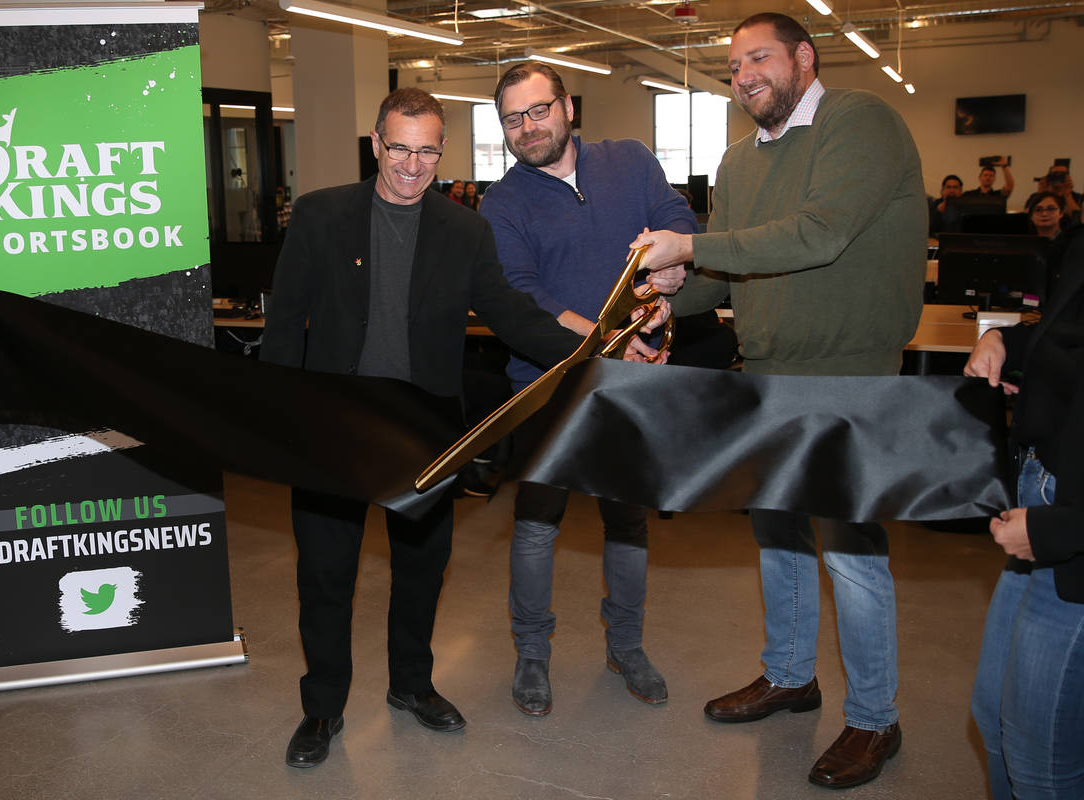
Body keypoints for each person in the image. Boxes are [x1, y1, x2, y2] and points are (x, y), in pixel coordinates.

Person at [630, 12, 926, 789]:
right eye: (733, 67)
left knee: (852, 555)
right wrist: (670, 300)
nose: (744, 76)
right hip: (764, 370)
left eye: (758, 58)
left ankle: (875, 717)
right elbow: (732, 271)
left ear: (804, 56)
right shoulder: (738, 160)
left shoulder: (859, 123)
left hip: (849, 376)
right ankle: (791, 675)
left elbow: (818, 234)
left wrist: (690, 246)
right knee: (779, 537)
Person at [260, 88, 586, 770]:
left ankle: (411, 684)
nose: (412, 166)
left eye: (428, 151)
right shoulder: (321, 216)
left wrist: (590, 348)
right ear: (376, 144)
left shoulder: (464, 230)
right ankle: (322, 707)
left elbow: (509, 313)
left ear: (443, 151)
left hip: (423, 434)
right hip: (334, 427)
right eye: (400, 149)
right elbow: (285, 323)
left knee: (420, 571)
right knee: (325, 575)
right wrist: (283, 421)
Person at [480, 61, 696, 716]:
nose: (527, 127)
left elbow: (676, 220)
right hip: (547, 386)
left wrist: (670, 270)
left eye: (538, 110)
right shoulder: (502, 204)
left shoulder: (629, 161)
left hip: (629, 386)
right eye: (512, 119)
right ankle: (532, 653)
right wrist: (610, 339)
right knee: (536, 525)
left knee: (627, 522)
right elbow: (525, 297)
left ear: (568, 107)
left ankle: (626, 646)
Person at [966, 226, 1084, 799]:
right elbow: (1066, 336)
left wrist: (1061, 529)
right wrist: (1004, 342)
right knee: (993, 715)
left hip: (1068, 534)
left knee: (1042, 757)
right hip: (1042, 499)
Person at [1025, 163, 1082, 232]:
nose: (1057, 177)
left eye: (1062, 175)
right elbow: (1027, 217)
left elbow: (1077, 218)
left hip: (1069, 233)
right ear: (1048, 176)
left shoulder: (1077, 197)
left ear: (1068, 177)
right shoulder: (1036, 196)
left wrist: (1068, 195)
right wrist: (1041, 195)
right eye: (1055, 174)